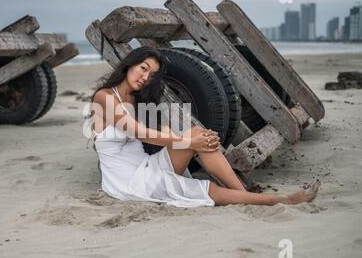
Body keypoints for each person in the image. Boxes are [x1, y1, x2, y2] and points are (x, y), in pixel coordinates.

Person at [88, 46, 319, 207]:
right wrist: (184, 141)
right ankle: (279, 201)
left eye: (152, 74)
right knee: (205, 187)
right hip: (130, 181)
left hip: (146, 166)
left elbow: (153, 133)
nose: (145, 76)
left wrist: (183, 138)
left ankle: (243, 194)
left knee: (200, 134)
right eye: (143, 68)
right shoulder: (104, 97)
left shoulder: (136, 100)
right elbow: (136, 132)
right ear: (130, 64)